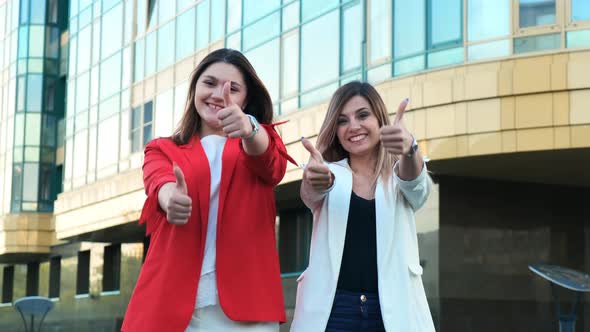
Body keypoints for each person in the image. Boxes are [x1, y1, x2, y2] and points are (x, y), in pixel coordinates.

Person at [122, 48, 295, 332]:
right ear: (195, 89)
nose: (218, 93)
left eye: (232, 88)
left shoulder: (259, 142)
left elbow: (272, 166)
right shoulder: (162, 148)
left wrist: (249, 127)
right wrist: (171, 199)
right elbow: (158, 182)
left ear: (245, 99)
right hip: (176, 309)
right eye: (209, 82)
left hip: (247, 311)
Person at [290, 81, 436, 332]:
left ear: (380, 119)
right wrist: (315, 181)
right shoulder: (327, 172)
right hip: (334, 311)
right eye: (342, 120)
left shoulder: (400, 170)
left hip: (393, 309)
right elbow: (310, 194)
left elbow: (418, 189)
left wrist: (410, 149)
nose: (353, 126)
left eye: (362, 115)